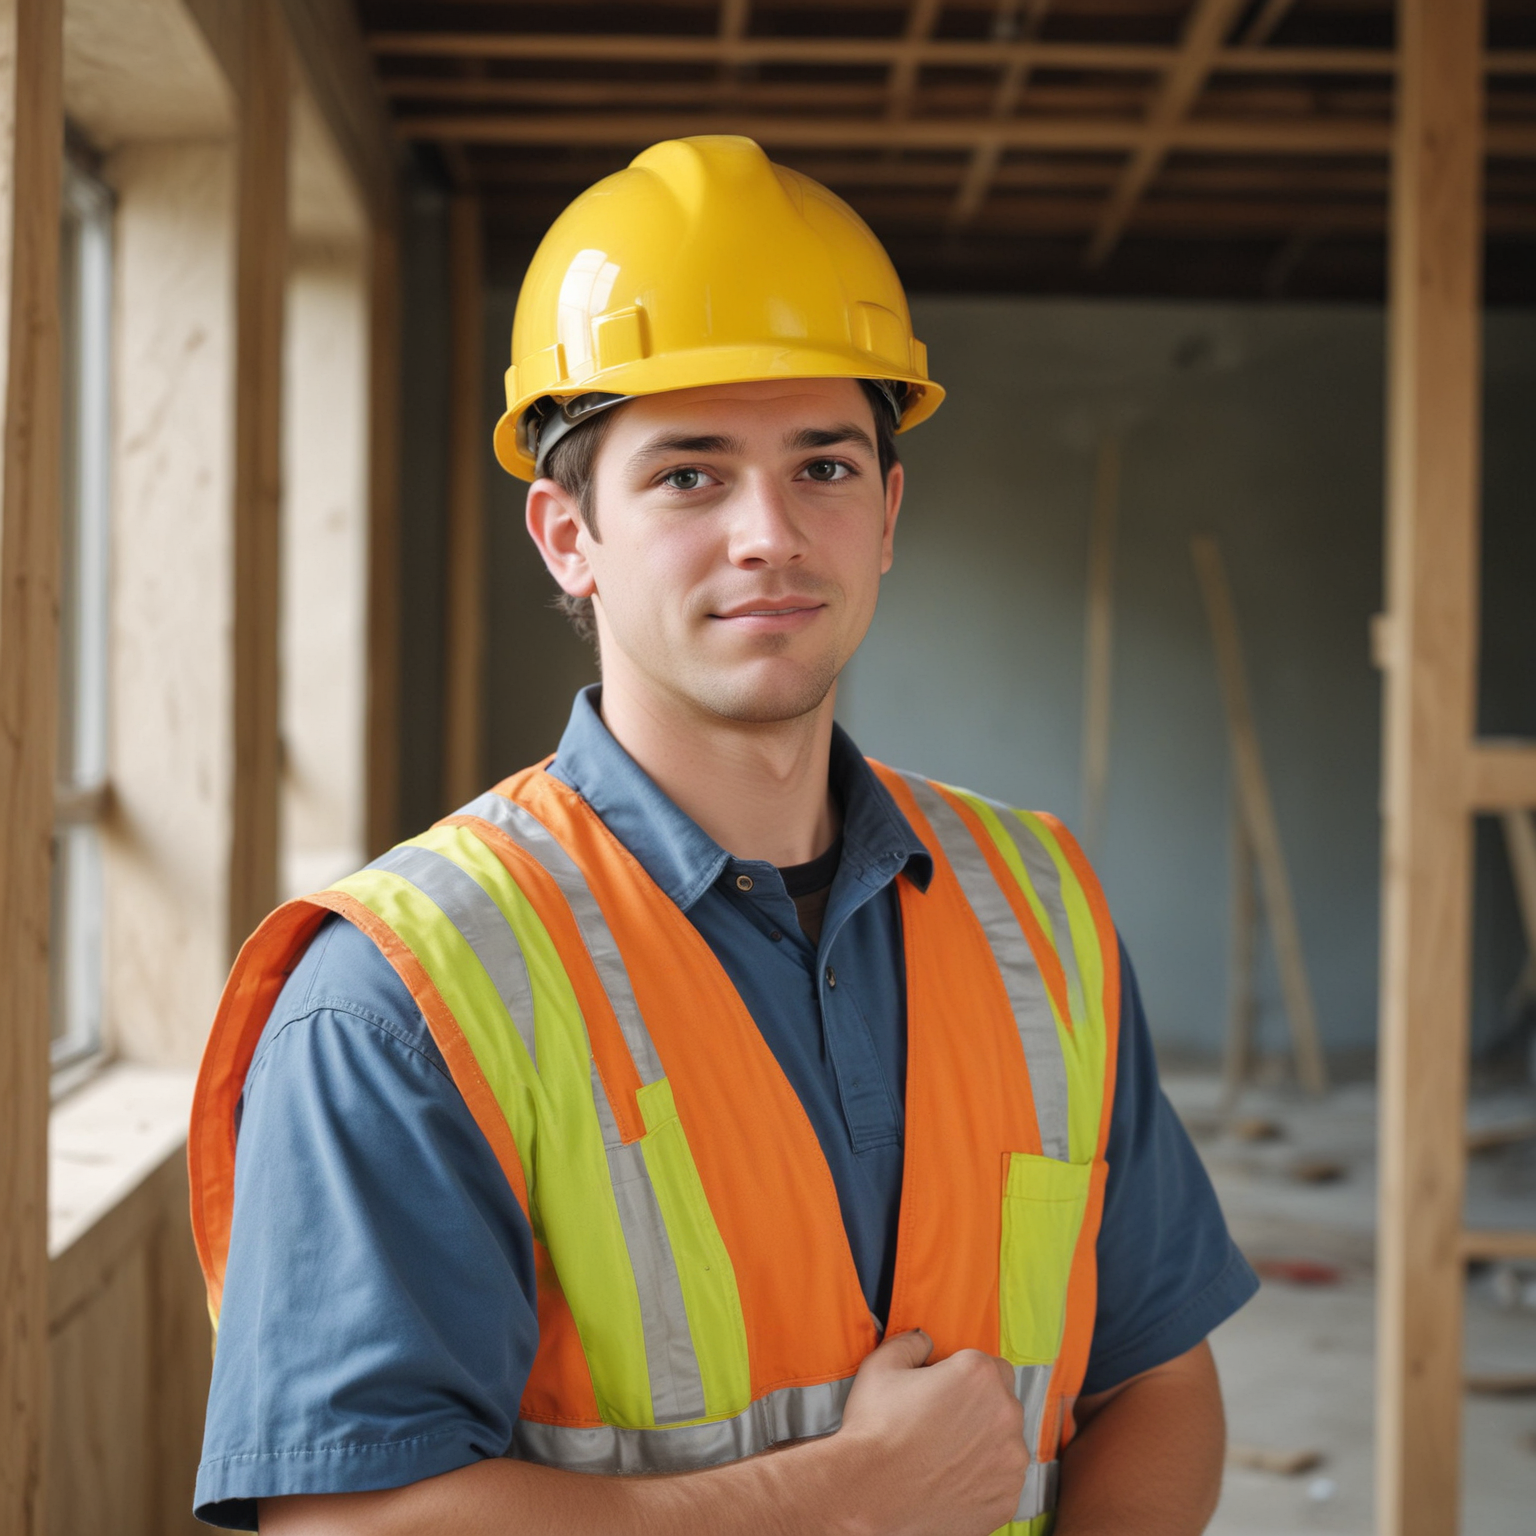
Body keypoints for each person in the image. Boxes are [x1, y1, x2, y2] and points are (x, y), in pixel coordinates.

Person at [189, 136, 1256, 1536]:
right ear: (568, 535)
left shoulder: (1035, 904)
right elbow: (350, 1524)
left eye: (822, 464)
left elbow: (1158, 1382)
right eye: (690, 476)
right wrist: (848, 1496)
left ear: (887, 512)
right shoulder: (404, 996)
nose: (769, 532)